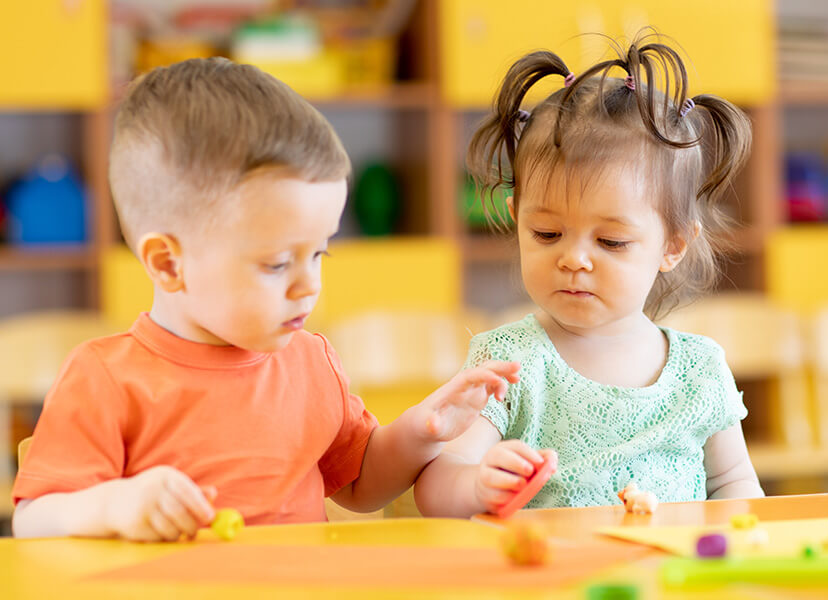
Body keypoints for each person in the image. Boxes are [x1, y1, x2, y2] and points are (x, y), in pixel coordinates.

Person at [11, 57, 519, 540]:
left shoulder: (310, 363)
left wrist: (422, 430)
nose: (309, 286)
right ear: (169, 264)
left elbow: (363, 488)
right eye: (277, 264)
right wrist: (114, 505)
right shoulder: (105, 379)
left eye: (319, 254)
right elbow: (33, 519)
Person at [415, 36, 764, 518]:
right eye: (547, 232)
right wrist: (476, 484)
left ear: (673, 245)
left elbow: (734, 483)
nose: (574, 259)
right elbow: (434, 488)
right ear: (517, 219)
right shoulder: (511, 363)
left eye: (611, 242)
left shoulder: (700, 370)